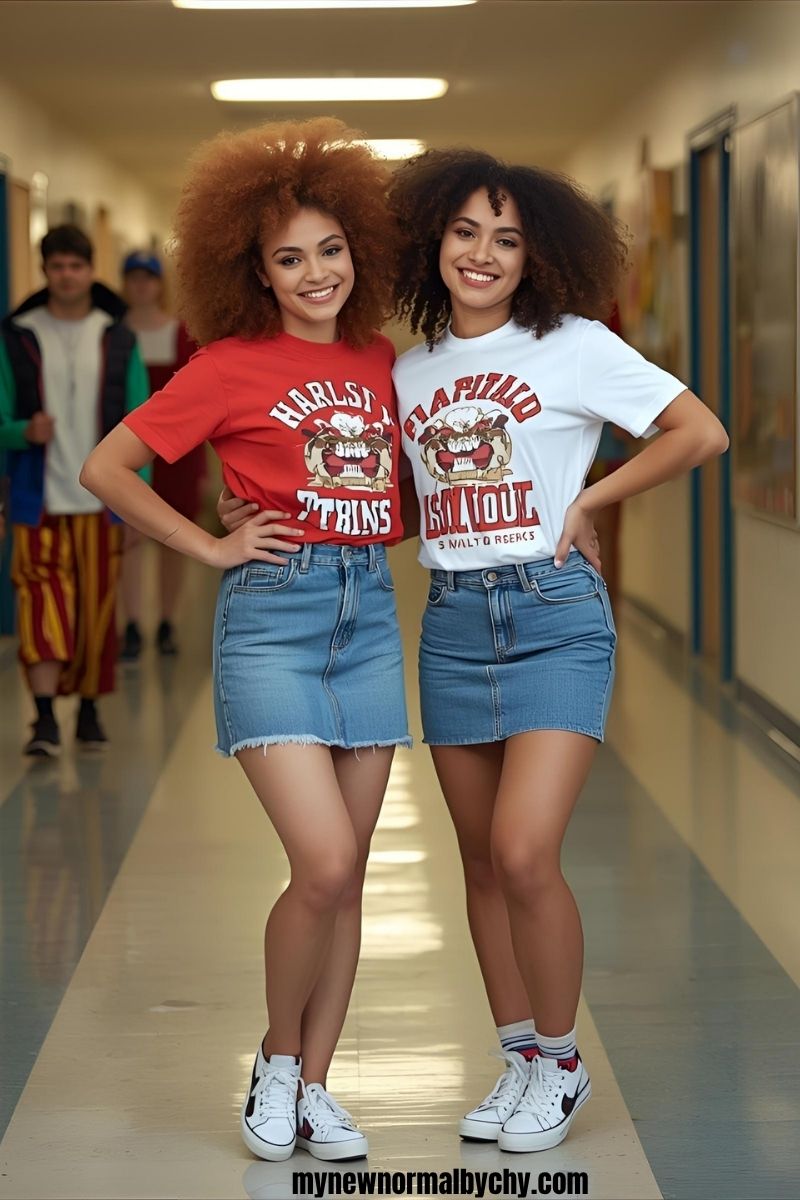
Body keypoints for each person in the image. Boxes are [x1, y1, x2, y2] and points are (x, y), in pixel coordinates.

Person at [79, 119, 411, 1163]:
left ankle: (317, 1089)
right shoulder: (224, 365)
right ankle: (275, 1059)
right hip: (275, 617)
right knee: (317, 861)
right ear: (254, 273)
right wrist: (210, 549)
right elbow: (106, 469)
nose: (315, 272)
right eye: (288, 258)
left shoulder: (380, 359)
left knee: (348, 871)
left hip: (370, 615)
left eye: (330, 249)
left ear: (358, 249)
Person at [386, 149, 728, 1152]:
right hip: (451, 621)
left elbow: (695, 431)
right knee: (479, 861)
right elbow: (402, 494)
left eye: (506, 239)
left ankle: (564, 1061)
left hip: (552, 616)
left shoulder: (573, 345)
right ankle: (521, 1061)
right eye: (464, 233)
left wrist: (588, 498)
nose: (483, 254)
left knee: (525, 850)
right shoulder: (410, 370)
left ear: (537, 256)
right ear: (430, 243)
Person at [0, 224, 150, 756]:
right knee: (39, 606)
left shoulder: (116, 336)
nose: (66, 275)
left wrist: (140, 506)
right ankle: (42, 720)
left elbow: (141, 424)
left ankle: (87, 713)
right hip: (36, 500)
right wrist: (22, 432)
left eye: (76, 266)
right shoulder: (17, 334)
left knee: (94, 610)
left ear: (90, 272)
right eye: (57, 266)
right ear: (45, 271)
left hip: (101, 502)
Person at [119, 251, 206, 659]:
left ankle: (167, 619)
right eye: (133, 278)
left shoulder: (183, 334)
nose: (141, 286)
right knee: (130, 536)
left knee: (174, 538)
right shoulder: (113, 333)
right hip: (128, 450)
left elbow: (201, 405)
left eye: (147, 278)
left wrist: (203, 466)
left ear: (159, 284)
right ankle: (133, 621)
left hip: (177, 454)